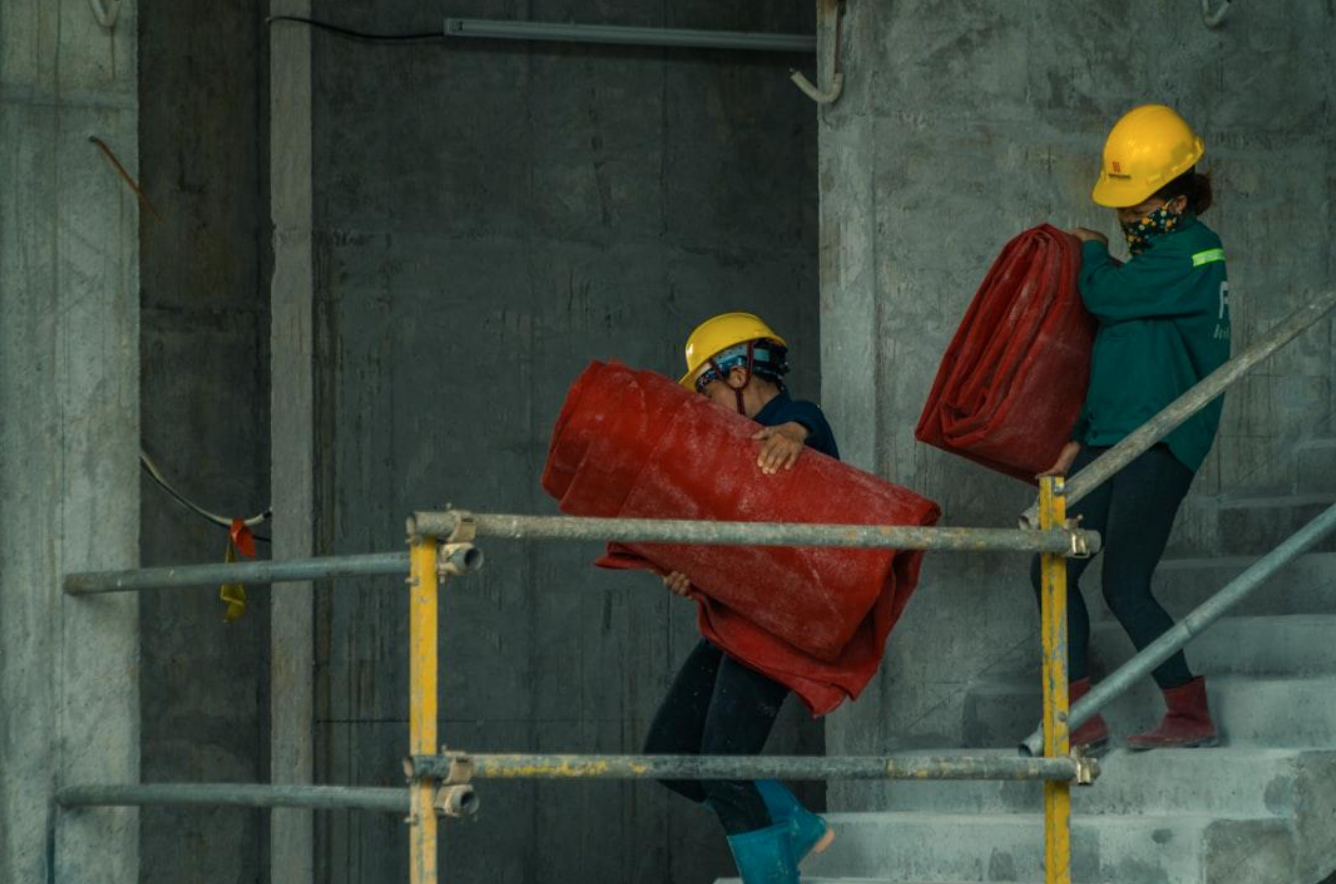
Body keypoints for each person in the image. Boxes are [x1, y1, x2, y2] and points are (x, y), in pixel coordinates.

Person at [1033, 104, 1231, 753]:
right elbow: (1121, 360)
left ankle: (1188, 710)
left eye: (1136, 203)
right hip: (1110, 436)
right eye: (1119, 206)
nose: (1124, 217)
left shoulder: (1195, 252)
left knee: (1124, 582)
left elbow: (1107, 298)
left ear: (1177, 196)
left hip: (1161, 441)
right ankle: (1080, 716)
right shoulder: (1150, 266)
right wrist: (1078, 437)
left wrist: (1091, 254)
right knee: (1051, 568)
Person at [643, 312, 838, 884]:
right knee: (671, 757)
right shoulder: (733, 447)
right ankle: (796, 827)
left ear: (735, 374)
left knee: (726, 770)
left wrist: (794, 435)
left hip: (781, 622)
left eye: (703, 387)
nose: (701, 404)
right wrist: (690, 574)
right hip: (739, 615)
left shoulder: (794, 425)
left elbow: (809, 423)